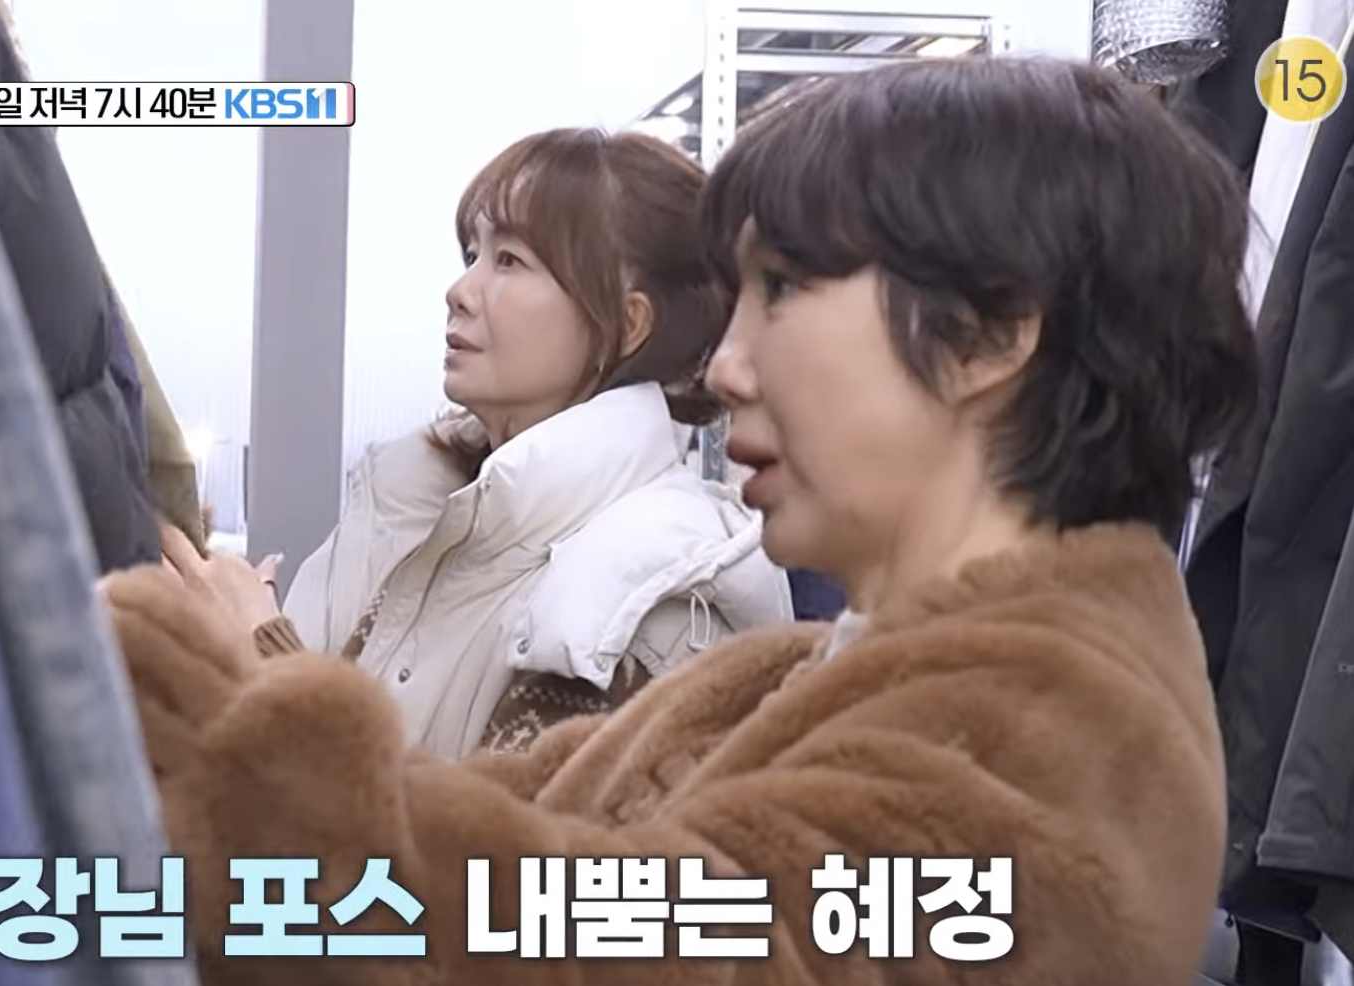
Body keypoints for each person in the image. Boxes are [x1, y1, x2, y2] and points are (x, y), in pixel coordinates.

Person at [104, 57, 1258, 984]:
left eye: (784, 288)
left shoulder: (1047, 738)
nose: (727, 364)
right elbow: (512, 839)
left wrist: (216, 703)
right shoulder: (790, 677)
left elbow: (611, 943)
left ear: (987, 335)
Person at [204, 127, 794, 759]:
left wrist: (263, 656)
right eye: (471, 255)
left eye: (510, 260)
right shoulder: (420, 509)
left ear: (627, 326)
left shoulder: (653, 596)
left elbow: (482, 830)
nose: (459, 291)